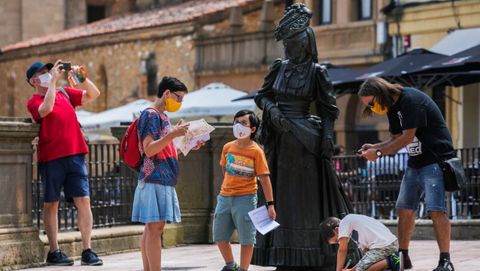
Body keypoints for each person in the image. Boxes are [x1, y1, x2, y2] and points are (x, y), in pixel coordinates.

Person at [252, 4, 357, 270]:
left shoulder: (317, 72)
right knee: (282, 197)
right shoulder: (279, 67)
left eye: (294, 45)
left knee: (307, 200)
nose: (289, 51)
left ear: (305, 44)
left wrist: (327, 138)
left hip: (306, 142)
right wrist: (273, 110)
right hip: (280, 141)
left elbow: (329, 110)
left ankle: (312, 252)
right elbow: (261, 96)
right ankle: (283, 253)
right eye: (287, 46)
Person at [358, 77, 456, 271]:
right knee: (404, 209)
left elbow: (407, 137)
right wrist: (375, 146)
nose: (372, 108)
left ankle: (446, 260)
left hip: (434, 160)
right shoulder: (392, 107)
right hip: (415, 163)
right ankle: (403, 258)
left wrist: (377, 153)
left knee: (436, 210)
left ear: (380, 93)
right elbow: (396, 138)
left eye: (371, 103)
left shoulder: (411, 100)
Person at [26, 60, 102, 266]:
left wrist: (82, 78)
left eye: (48, 71)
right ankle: (54, 251)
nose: (47, 74)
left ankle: (87, 250)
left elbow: (94, 94)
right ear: (33, 80)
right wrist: (52, 82)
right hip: (51, 158)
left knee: (84, 200)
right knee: (51, 204)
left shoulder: (65, 93)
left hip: (76, 154)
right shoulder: (33, 101)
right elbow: (46, 109)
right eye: (42, 73)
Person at [132, 76, 204, 271]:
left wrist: (189, 143)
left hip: (160, 177)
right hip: (155, 178)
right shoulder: (152, 115)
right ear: (166, 93)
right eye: (178, 97)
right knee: (155, 228)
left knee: (152, 228)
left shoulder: (161, 116)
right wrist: (173, 134)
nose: (179, 102)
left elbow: (164, 149)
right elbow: (149, 149)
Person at [213, 110, 276, 271]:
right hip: (224, 197)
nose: (238, 125)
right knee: (219, 236)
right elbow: (224, 170)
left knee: (247, 239)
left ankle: (243, 269)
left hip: (246, 198)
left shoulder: (256, 151)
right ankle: (230, 265)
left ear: (253, 129)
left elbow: (264, 178)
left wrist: (270, 204)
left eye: (243, 122)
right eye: (235, 122)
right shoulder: (227, 147)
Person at [320, 215, 403, 271]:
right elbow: (368, 256)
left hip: (384, 245)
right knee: (362, 268)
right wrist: (352, 269)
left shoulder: (344, 223)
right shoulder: (355, 230)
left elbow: (342, 250)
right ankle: (391, 261)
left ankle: (393, 260)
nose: (339, 243)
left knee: (360, 269)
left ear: (337, 230)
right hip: (389, 244)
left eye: (337, 240)